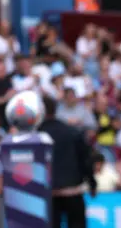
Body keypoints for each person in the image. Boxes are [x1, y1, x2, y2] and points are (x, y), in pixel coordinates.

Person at [39, 95, 96, 228]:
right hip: (72, 191)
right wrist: (92, 182)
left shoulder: (35, 136)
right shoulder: (71, 131)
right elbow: (85, 160)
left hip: (48, 194)